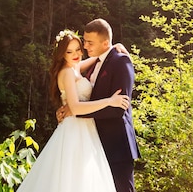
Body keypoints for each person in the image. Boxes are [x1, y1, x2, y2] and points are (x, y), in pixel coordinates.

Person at [16, 29, 130, 192]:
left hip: (86, 129)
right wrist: (110, 101)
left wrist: (114, 46)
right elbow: (75, 108)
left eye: (78, 49)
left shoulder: (75, 67)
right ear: (62, 54)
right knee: (73, 178)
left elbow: (97, 58)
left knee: (84, 178)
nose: (76, 54)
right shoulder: (67, 72)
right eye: (69, 51)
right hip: (75, 129)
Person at [58, 18, 141, 192]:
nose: (85, 46)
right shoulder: (93, 63)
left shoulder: (121, 62)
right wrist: (71, 106)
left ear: (105, 43)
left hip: (116, 144)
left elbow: (118, 108)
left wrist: (75, 111)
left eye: (89, 42)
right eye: (85, 41)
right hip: (94, 142)